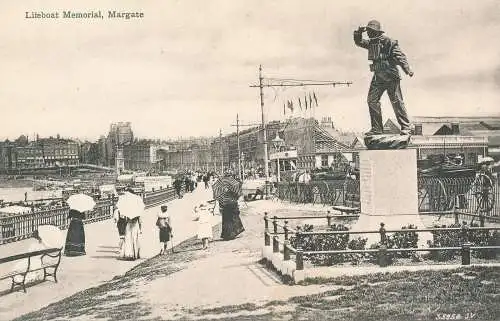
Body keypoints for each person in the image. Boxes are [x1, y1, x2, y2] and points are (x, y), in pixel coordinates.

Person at [353, 20, 414, 136]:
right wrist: (358, 33)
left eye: (370, 31)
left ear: (376, 31)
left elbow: (400, 56)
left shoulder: (389, 41)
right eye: (368, 31)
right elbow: (359, 42)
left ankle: (406, 127)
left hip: (391, 76)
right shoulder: (371, 43)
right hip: (378, 78)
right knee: (372, 100)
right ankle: (377, 129)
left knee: (397, 101)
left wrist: (407, 70)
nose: (369, 34)